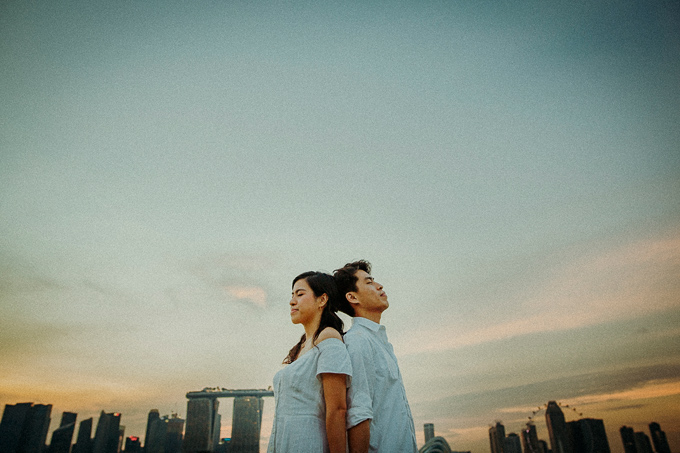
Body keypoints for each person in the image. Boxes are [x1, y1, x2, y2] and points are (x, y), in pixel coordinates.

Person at [333, 260, 418, 453]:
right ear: (352, 297)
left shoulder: (381, 343)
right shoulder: (358, 341)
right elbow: (358, 412)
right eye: (369, 282)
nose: (379, 286)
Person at [267, 271, 352, 453]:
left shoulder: (329, 337)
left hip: (308, 443)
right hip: (283, 442)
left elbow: (337, 409)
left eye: (300, 294)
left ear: (322, 300)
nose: (292, 301)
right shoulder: (300, 347)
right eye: (292, 295)